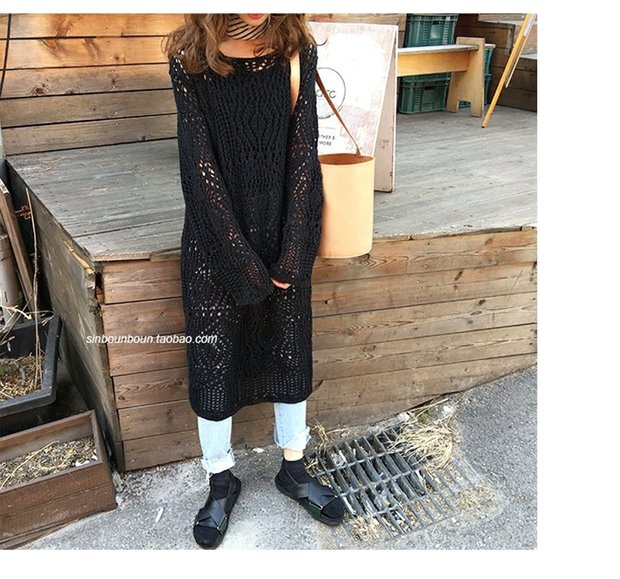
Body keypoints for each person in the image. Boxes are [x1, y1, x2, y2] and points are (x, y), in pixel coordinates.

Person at [164, 14, 345, 549]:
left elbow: (304, 153)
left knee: (290, 351)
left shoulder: (296, 50)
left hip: (283, 230)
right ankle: (221, 480)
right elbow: (197, 165)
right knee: (213, 361)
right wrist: (240, 262)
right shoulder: (189, 57)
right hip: (214, 241)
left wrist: (293, 253)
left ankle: (294, 467)